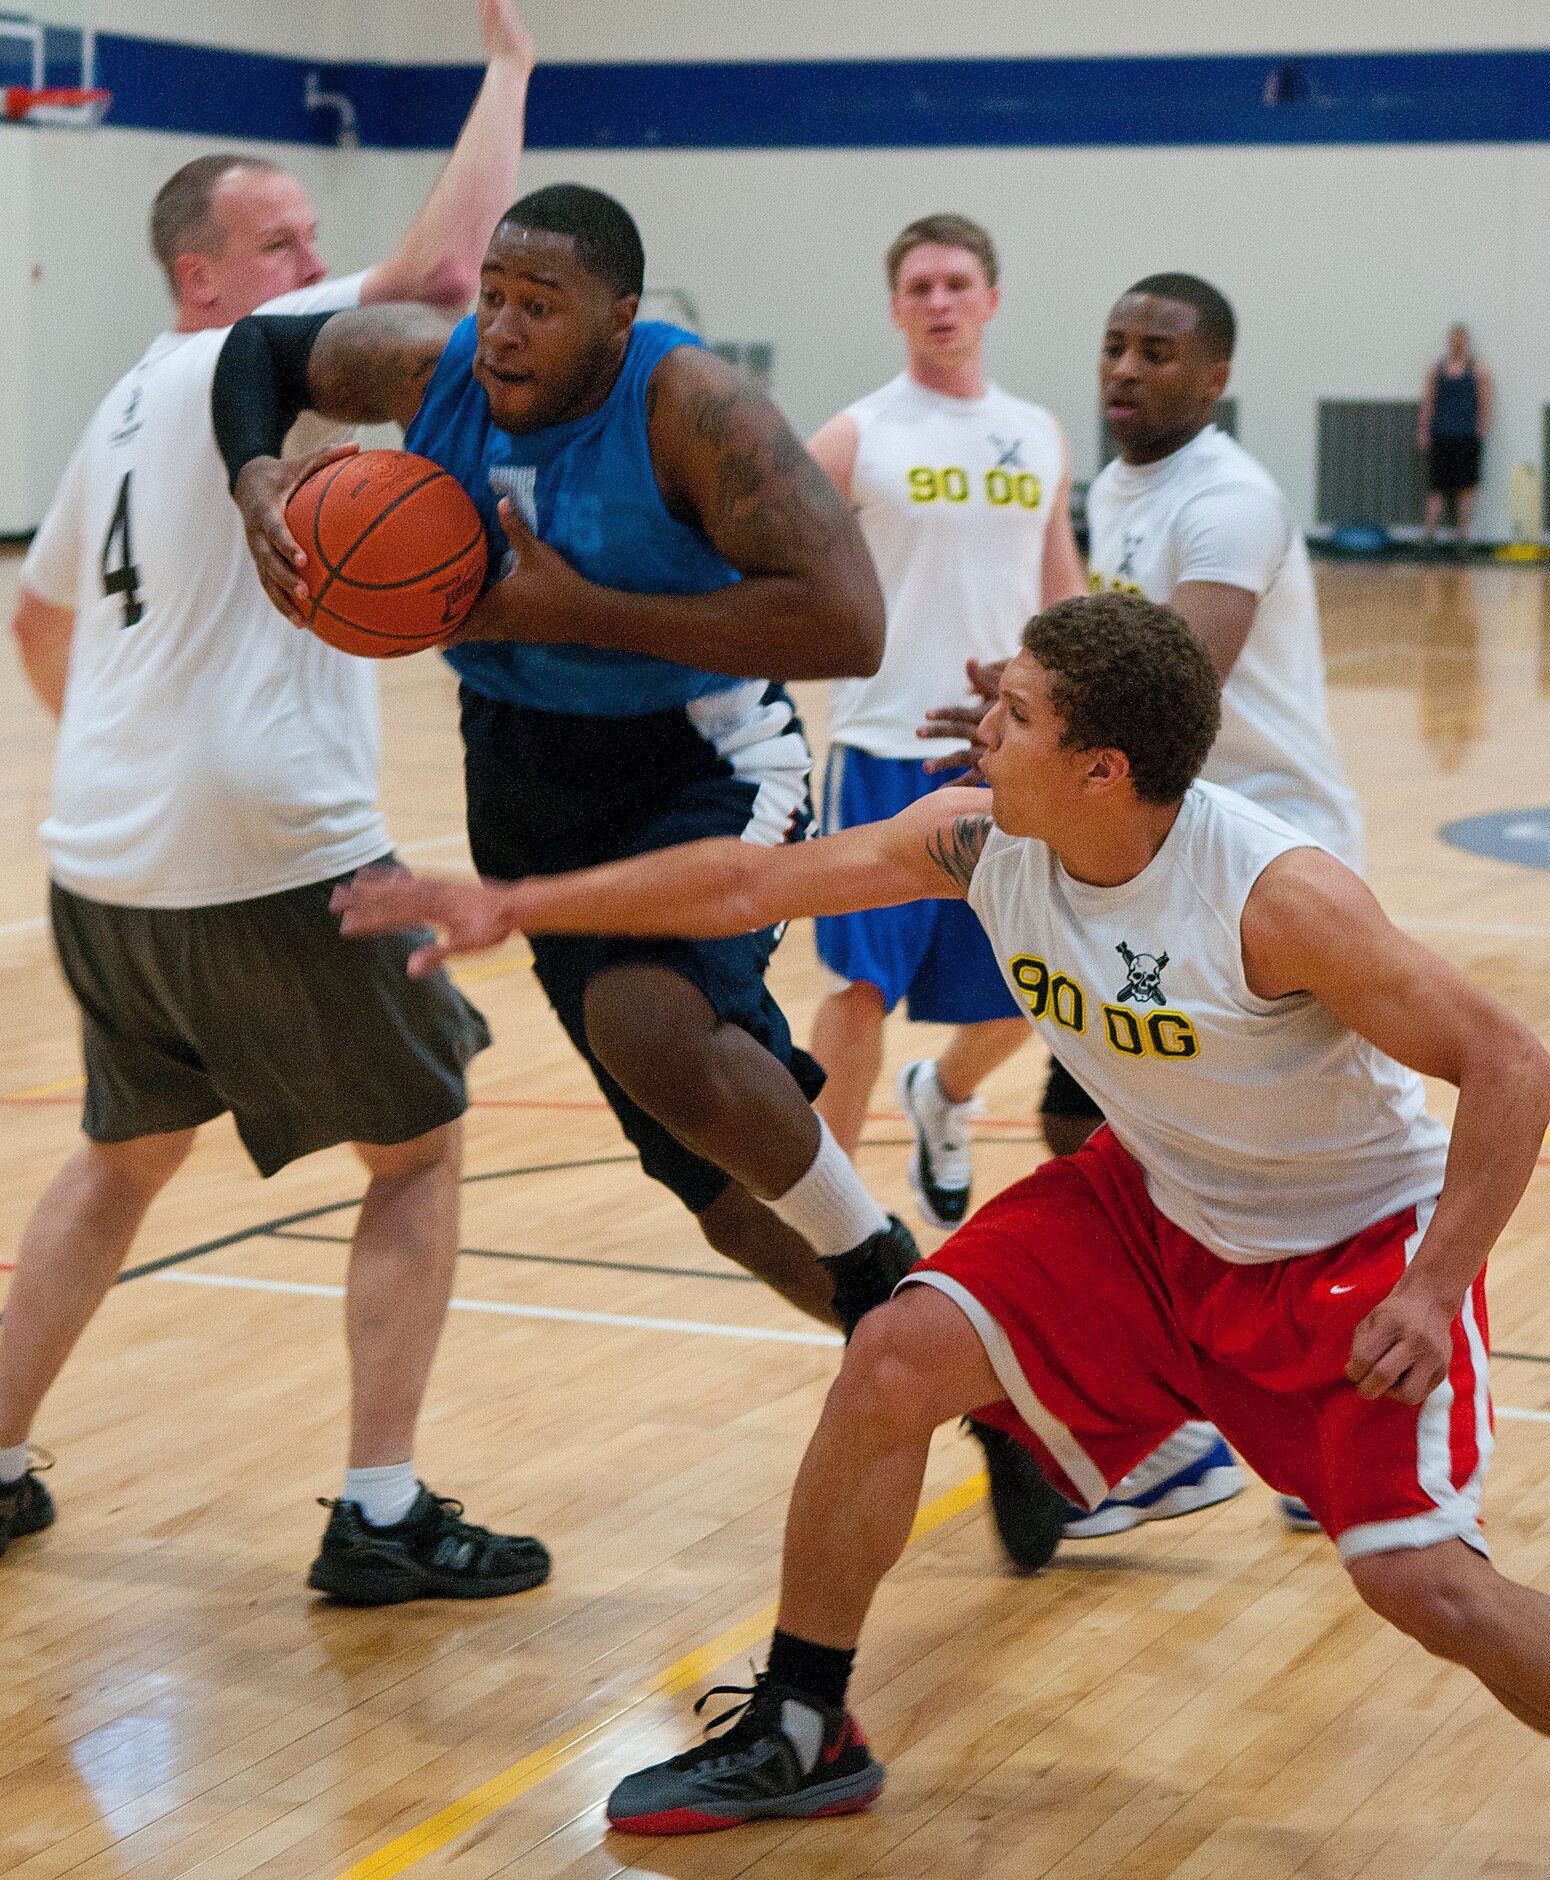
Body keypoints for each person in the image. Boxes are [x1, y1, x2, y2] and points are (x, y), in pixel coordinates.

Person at [333, 593, 1550, 1835]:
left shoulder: (1275, 899)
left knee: (1424, 1587)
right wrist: (519, 905)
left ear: (1100, 768)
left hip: (1341, 1244)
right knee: (892, 1355)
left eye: (1013, 713)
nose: (978, 728)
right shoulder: (971, 839)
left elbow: (1508, 1061)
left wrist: (1434, 1280)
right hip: (1153, 1208)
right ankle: (804, 1726)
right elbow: (749, 881)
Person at [212, 183, 1071, 1574]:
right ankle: (986, 1393)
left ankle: (886, 1286)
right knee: (724, 1204)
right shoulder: (428, 369)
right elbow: (260, 352)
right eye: (491, 292)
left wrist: (580, 611)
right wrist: (260, 470)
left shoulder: (696, 409)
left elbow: (845, 623)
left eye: (537, 306)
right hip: (523, 774)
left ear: (619, 320)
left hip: (701, 754)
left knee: (649, 1021)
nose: (498, 327)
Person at [1, 0, 554, 1605]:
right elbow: (453, 277)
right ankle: (380, 1513)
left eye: (318, 234)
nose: (321, 259)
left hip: (104, 856)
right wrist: (511, 68)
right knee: (424, 1146)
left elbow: (36, 624)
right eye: (285, 240)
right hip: (275, 853)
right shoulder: (264, 360)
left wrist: (132, 749)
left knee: (118, 1156)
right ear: (208, 277)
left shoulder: (118, 399)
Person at [926, 273, 1363, 1537]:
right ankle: (1193, 1432)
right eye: (1113, 345)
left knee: (1301, 1159)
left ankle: (1308, 1410)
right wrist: (1019, 708)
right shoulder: (1115, 488)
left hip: (1273, 863)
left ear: (1213, 375)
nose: (1124, 368)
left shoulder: (1225, 501)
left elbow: (1182, 682)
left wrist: (1031, 723)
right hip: (1151, 850)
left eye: (1157, 352)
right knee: (1106, 1117)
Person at [806, 213, 1084, 1228]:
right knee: (857, 985)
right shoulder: (854, 434)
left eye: (956, 283)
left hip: (1007, 754)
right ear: (894, 307)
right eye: (918, 286)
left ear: (990, 299)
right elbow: (774, 551)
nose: (937, 302)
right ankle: (830, 1214)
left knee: (1027, 993)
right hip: (883, 744)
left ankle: (946, 1093)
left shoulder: (1038, 431)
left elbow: (1060, 586)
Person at [1420, 324, 1492, 546]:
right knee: (1436, 488)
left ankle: (1462, 539)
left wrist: (1479, 430)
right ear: (1449, 341)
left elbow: (1485, 402)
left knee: (1465, 490)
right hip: (1441, 435)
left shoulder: (1477, 369)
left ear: (1466, 342)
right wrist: (1423, 431)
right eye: (1453, 338)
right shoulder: (1437, 369)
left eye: (1460, 339)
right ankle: (1429, 538)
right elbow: (1429, 401)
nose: (1456, 342)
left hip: (1466, 437)